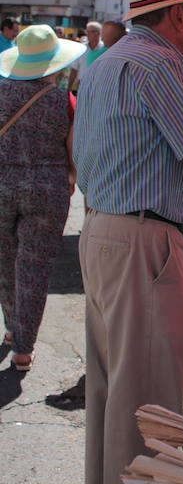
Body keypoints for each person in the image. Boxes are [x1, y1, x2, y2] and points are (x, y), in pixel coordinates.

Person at [73, 0, 183, 484]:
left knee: (110, 386)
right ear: (179, 16)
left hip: (102, 230)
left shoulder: (104, 62)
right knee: (147, 394)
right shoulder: (159, 65)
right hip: (145, 238)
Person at [0, 25, 82, 372]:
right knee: (35, 267)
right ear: (55, 64)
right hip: (48, 189)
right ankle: (23, 346)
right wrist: (71, 178)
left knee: (5, 259)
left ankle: (11, 329)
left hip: (2, 183)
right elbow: (72, 152)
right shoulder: (64, 101)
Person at [68, 21, 107, 93]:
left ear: (99, 33)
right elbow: (74, 70)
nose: (88, 34)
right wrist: (69, 88)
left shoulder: (105, 49)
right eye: (87, 31)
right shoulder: (80, 48)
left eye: (91, 31)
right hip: (82, 84)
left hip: (100, 85)